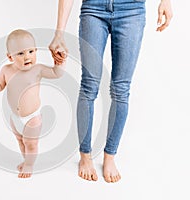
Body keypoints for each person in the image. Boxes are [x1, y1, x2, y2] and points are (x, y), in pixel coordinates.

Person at [49, 0, 173, 183]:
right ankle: (85, 155)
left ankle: (110, 156)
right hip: (93, 8)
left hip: (132, 9)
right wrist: (59, 33)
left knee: (121, 89)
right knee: (89, 85)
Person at [0, 29, 66, 178]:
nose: (27, 57)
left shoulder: (37, 69)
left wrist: (60, 63)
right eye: (20, 53)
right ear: (10, 57)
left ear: (36, 51)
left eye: (31, 51)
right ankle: (26, 160)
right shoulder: (6, 70)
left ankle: (29, 165)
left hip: (32, 117)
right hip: (15, 117)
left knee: (30, 143)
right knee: (20, 141)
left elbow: (56, 73)